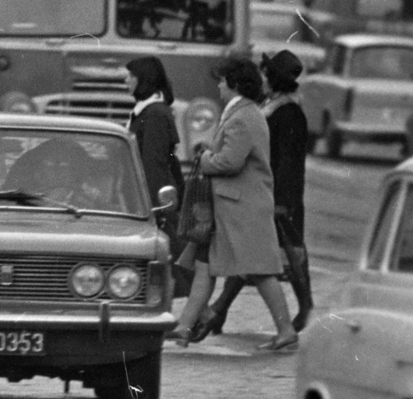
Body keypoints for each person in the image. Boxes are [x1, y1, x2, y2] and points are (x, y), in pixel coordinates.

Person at [168, 57, 299, 352]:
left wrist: (204, 159)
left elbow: (229, 161)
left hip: (242, 209)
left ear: (235, 84)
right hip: (230, 208)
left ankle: (286, 329)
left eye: (222, 80)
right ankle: (184, 328)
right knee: (205, 266)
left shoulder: (243, 117)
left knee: (261, 271)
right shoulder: (242, 113)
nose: (218, 85)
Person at [201, 50, 313, 337]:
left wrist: (283, 202)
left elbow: (290, 161)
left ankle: (303, 309)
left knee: (280, 255)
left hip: (278, 197)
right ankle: (220, 310)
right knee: (260, 256)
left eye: (265, 73)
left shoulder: (288, 112)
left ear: (273, 78)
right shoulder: (273, 106)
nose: (260, 77)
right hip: (268, 193)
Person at [124, 55, 182, 219]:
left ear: (144, 80)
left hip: (151, 205)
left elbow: (153, 164)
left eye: (132, 76)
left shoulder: (154, 114)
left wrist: (153, 209)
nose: (126, 80)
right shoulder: (151, 111)